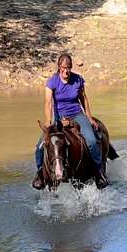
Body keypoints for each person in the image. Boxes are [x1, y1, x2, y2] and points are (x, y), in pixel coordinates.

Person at [32, 53, 108, 190]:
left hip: (77, 114)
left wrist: (89, 117)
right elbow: (48, 103)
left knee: (91, 140)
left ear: (71, 68)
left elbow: (84, 99)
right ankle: (40, 174)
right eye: (63, 68)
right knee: (40, 145)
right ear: (59, 67)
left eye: (68, 68)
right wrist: (49, 121)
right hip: (58, 116)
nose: (65, 71)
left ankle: (98, 171)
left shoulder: (78, 80)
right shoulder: (52, 81)